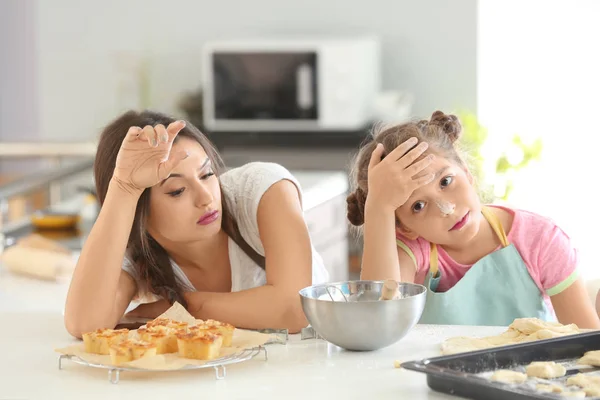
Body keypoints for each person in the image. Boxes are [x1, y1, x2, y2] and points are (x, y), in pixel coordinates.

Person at [64, 110, 329, 338]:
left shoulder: (261, 191)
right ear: (138, 213)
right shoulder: (137, 252)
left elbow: (295, 309)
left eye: (207, 174)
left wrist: (183, 307)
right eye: (177, 190)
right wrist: (123, 187)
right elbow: (84, 325)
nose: (206, 198)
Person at [347, 110, 600, 328]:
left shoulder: (542, 240)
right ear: (405, 229)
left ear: (467, 173)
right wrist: (378, 207)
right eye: (418, 206)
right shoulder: (413, 250)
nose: (445, 208)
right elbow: (377, 322)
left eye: (446, 181)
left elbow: (587, 347)